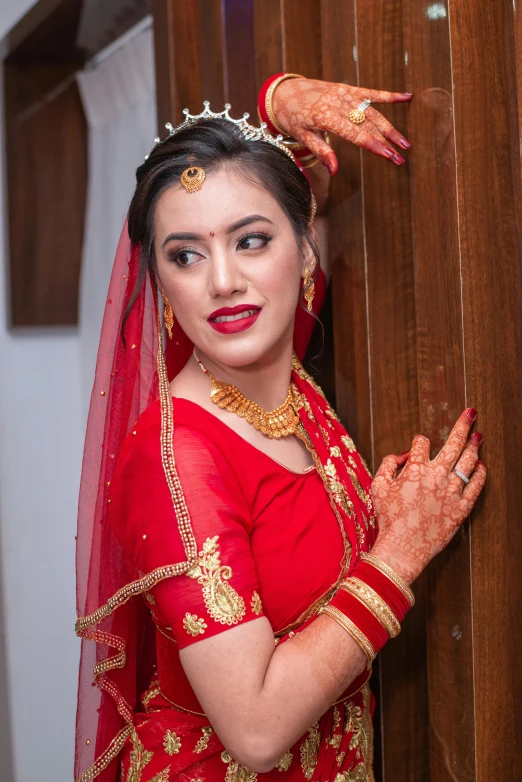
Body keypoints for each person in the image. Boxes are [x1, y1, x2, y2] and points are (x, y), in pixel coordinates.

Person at [74, 75, 486, 782]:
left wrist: (277, 98)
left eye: (252, 241)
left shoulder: (275, 356)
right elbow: (257, 729)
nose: (224, 281)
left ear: (304, 249)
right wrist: (399, 555)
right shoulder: (176, 461)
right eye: (185, 255)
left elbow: (274, 182)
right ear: (162, 285)